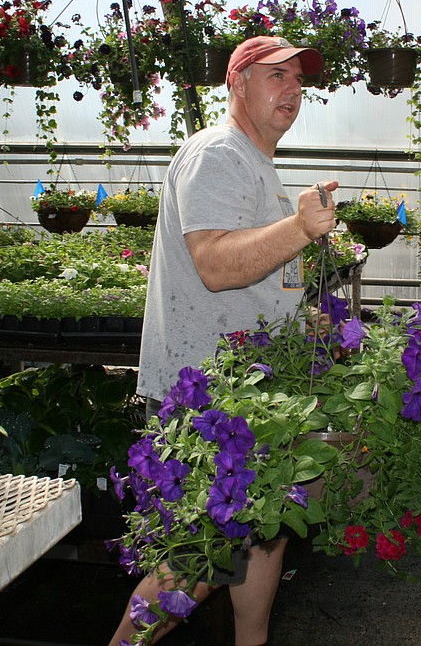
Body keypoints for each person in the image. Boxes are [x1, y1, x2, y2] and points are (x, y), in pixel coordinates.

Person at [108, 35, 338, 646]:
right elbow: (213, 262)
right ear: (237, 83)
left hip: (247, 393)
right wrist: (296, 228)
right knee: (196, 554)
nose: (293, 89)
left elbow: (251, 269)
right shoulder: (218, 154)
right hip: (205, 398)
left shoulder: (255, 162)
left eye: (299, 79)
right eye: (276, 76)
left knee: (266, 528)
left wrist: (294, 314)